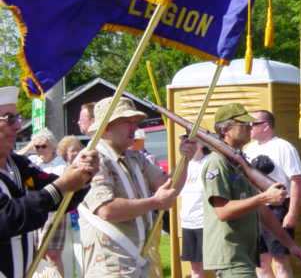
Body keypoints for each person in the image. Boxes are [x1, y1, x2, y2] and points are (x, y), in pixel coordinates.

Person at [79, 96, 196, 278]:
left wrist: (185, 159)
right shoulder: (92, 160)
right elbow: (107, 210)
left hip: (138, 262)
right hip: (110, 266)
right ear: (107, 127)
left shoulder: (136, 158)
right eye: (127, 122)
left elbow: (169, 187)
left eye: (135, 122)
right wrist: (155, 202)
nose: (135, 127)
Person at [0, 85, 99, 278]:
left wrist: (83, 174)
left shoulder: (19, 165)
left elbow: (61, 197)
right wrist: (62, 185)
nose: (18, 126)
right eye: (9, 118)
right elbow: (7, 217)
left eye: (17, 118)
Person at [201, 102, 301, 278]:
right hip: (231, 255)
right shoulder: (217, 162)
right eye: (243, 124)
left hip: (244, 253)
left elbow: (262, 211)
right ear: (225, 129)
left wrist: (290, 245)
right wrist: (264, 198)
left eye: (250, 124)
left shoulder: (239, 161)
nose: (249, 127)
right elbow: (223, 211)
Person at [245, 110, 301, 278]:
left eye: (252, 124)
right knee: (261, 263)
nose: (249, 127)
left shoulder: (283, 147)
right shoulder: (248, 149)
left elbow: (296, 180)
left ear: (266, 126)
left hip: (278, 210)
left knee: (280, 261)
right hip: (256, 209)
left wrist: (291, 213)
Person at [27, 128, 68, 276]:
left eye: (43, 146)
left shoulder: (61, 165)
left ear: (52, 146)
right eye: (36, 146)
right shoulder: (32, 162)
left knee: (52, 255)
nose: (39, 150)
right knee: (38, 254)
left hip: (55, 212)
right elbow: (14, 157)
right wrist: (28, 147)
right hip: (37, 211)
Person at [180, 138, 210, 278]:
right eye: (185, 141)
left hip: (206, 222)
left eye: (192, 141)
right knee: (195, 268)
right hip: (188, 222)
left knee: (217, 265)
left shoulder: (210, 161)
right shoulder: (183, 164)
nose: (188, 145)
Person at [58, 135, 84, 278]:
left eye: (78, 149)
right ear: (65, 154)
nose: (76, 153)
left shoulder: (86, 170)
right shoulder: (61, 170)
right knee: (65, 257)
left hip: (80, 220)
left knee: (82, 254)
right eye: (72, 150)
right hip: (64, 220)